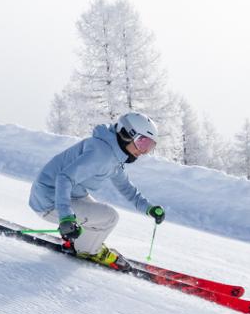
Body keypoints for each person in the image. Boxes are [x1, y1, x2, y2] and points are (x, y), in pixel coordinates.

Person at [29, 111, 167, 266]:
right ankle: (87, 250)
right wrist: (66, 217)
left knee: (99, 215)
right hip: (48, 200)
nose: (143, 151)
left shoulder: (114, 155)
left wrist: (149, 208)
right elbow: (64, 178)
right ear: (126, 134)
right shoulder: (102, 154)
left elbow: (126, 188)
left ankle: (83, 243)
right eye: (142, 143)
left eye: (149, 146)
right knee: (109, 217)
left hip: (68, 194)